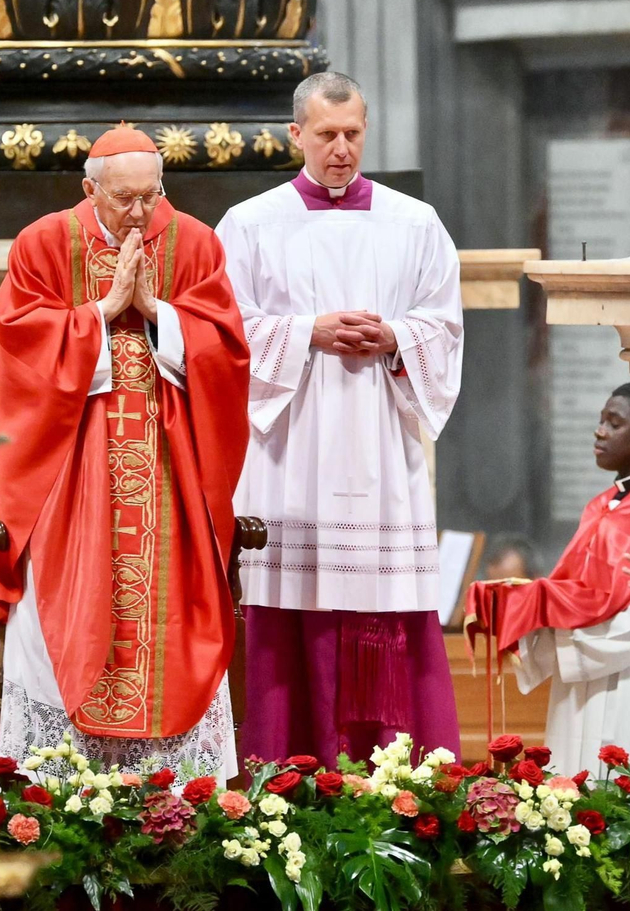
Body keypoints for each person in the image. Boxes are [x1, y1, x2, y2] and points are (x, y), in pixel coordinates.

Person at [0, 125, 251, 779]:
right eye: (124, 200)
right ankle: (58, 795)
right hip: (70, 470)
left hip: (170, 470)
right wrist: (100, 314)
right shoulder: (44, 243)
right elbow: (15, 349)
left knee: (175, 608)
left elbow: (227, 349)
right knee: (64, 605)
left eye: (150, 196)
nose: (140, 214)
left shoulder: (193, 242)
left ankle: (179, 800)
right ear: (90, 189)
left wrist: (160, 313)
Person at [218, 72, 465, 764]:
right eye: (326, 135)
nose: (341, 149)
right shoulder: (250, 224)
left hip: (380, 446)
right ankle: (289, 772)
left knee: (384, 607)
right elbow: (220, 331)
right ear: (295, 134)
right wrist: (306, 333)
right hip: (291, 447)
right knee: (290, 614)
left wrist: (396, 339)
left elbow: (443, 326)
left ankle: (396, 774)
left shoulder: (413, 223)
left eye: (353, 133)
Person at [468, 383, 630, 770]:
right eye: (600, 421)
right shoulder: (601, 505)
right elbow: (574, 589)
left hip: (629, 670)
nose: (599, 432)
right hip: (578, 667)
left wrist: (567, 627)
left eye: (614, 423)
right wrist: (529, 605)